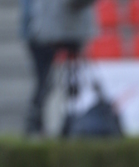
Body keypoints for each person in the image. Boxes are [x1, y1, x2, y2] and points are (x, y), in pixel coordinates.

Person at [21, 0, 97, 136]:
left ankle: (40, 124)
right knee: (46, 83)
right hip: (43, 31)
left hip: (56, 28)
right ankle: (36, 124)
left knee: (48, 83)